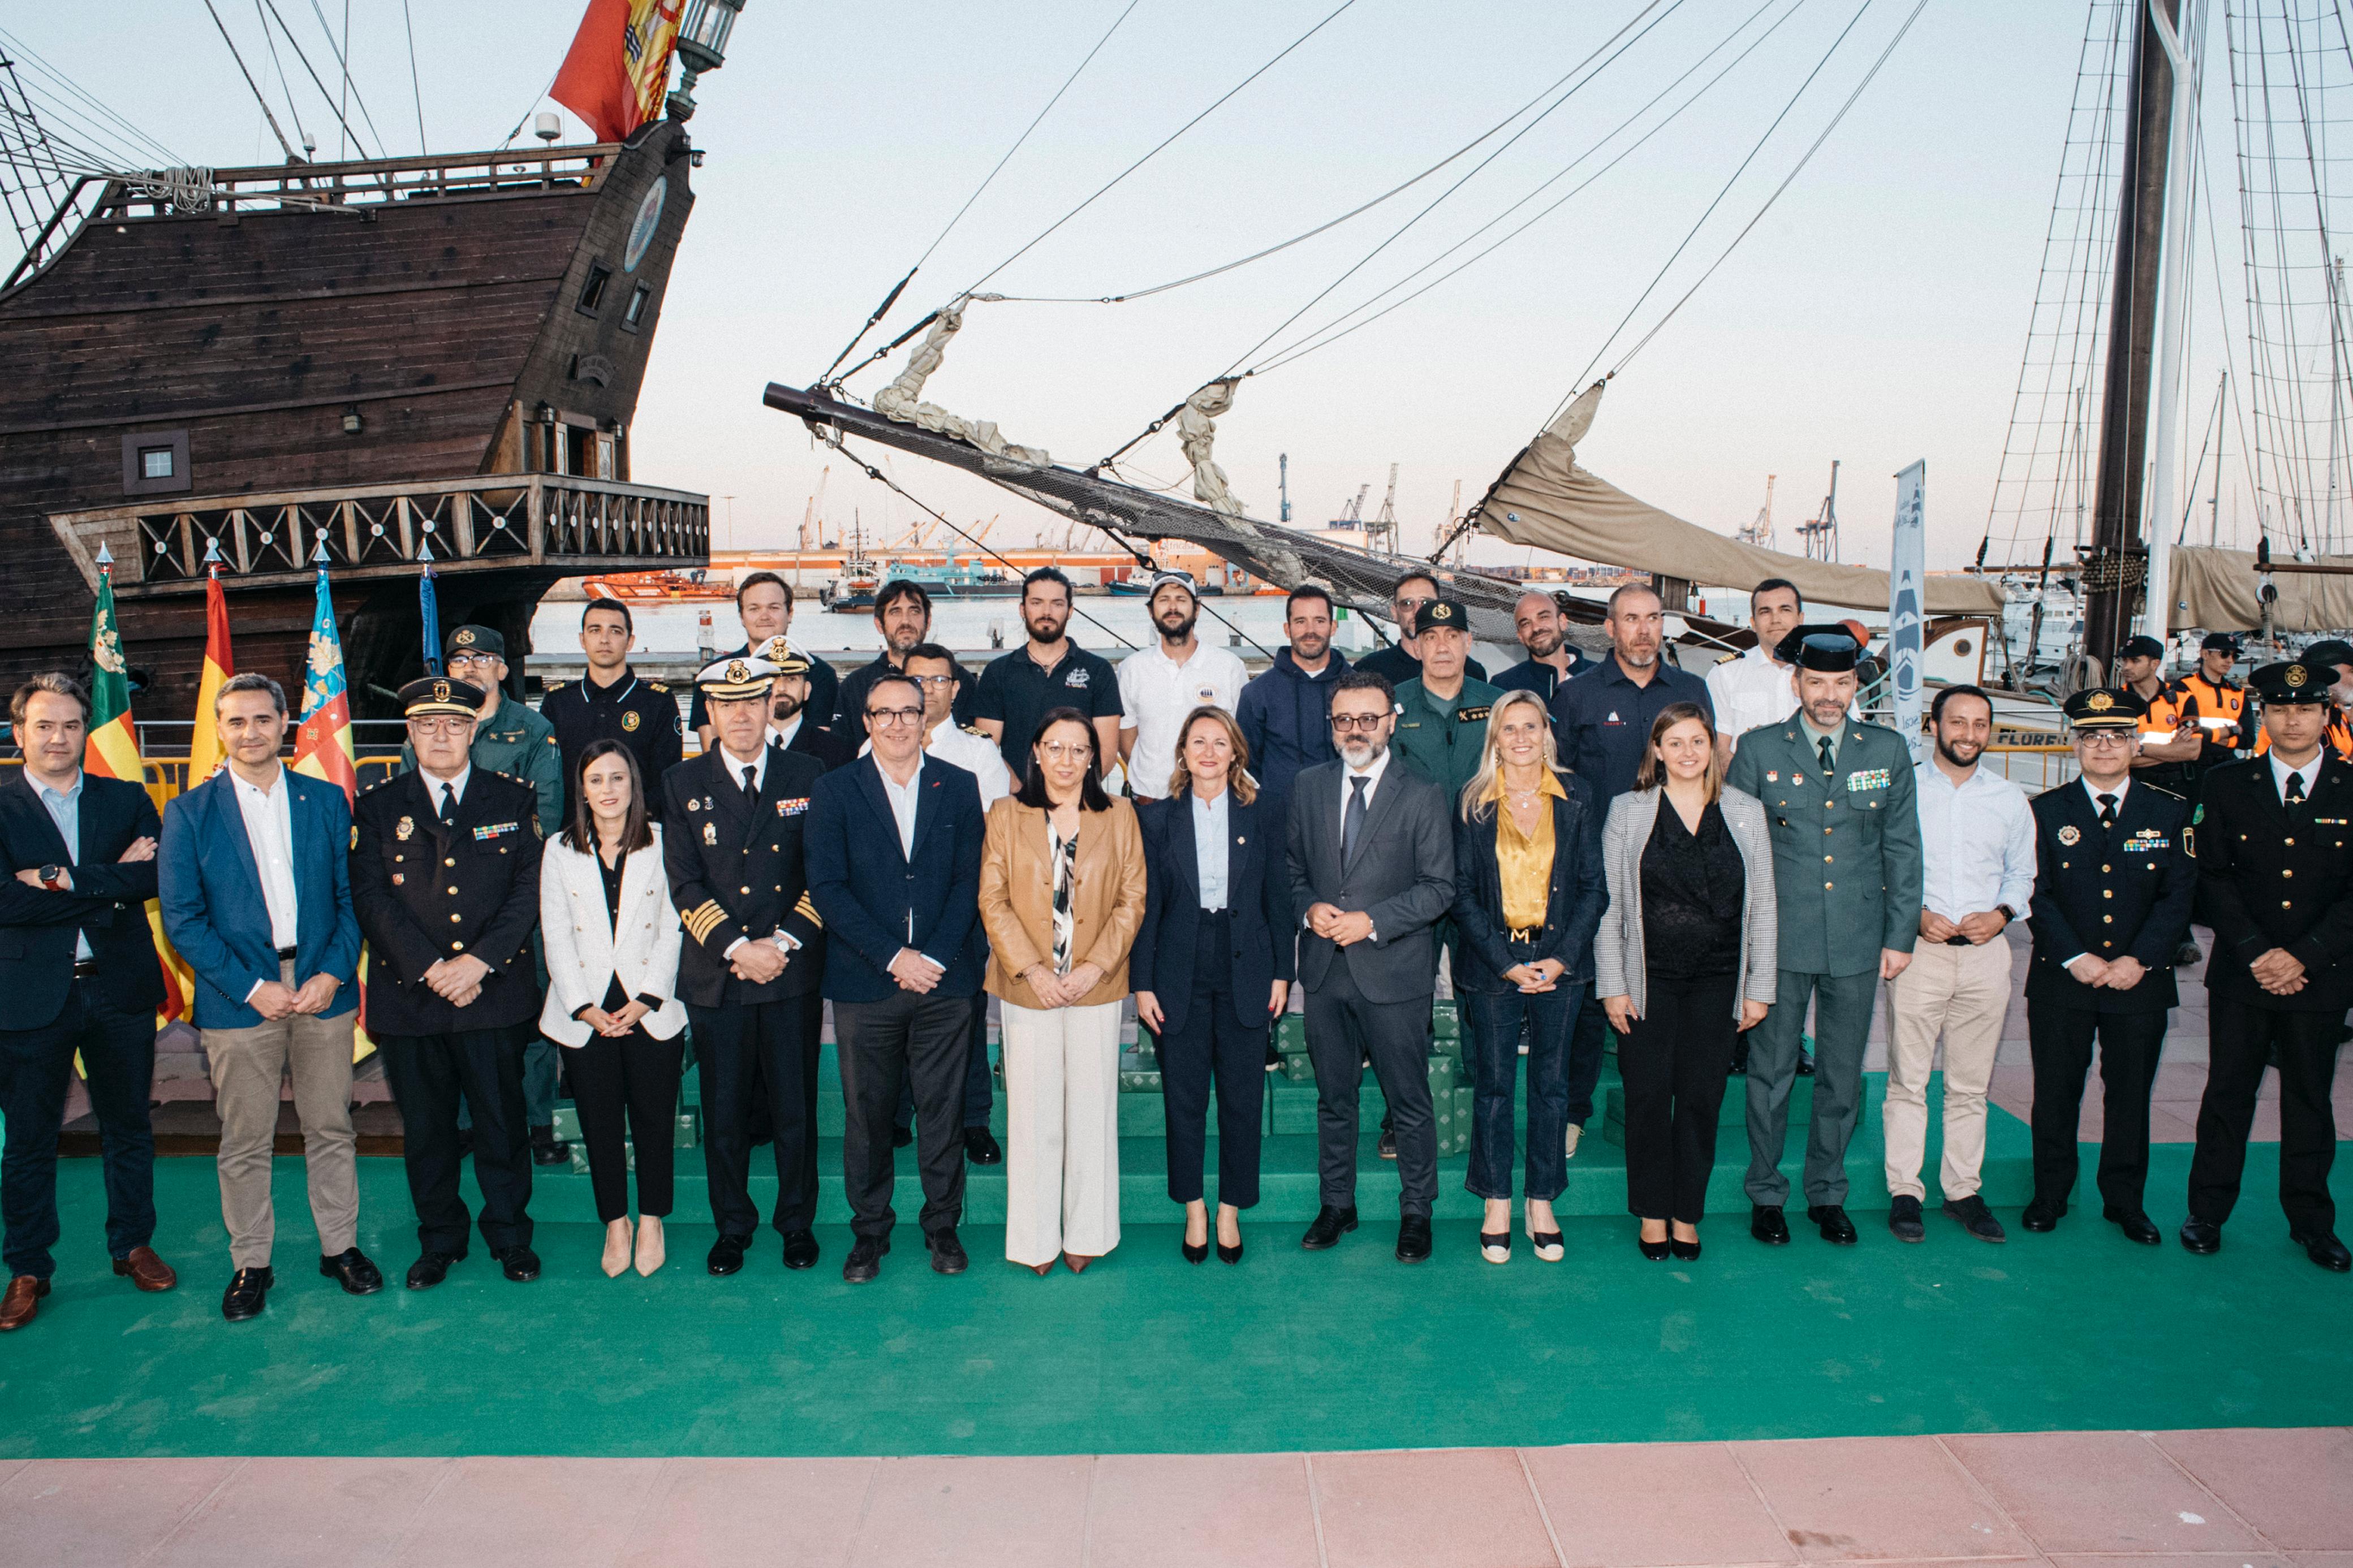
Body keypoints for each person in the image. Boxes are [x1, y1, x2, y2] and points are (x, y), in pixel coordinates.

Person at [160, 672, 373, 1321]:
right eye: (236, 721)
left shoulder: (327, 800)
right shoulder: (189, 813)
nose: (250, 732)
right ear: (219, 730)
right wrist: (253, 988)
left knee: (331, 1128)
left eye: (262, 719)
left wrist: (333, 974)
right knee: (245, 1140)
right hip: (237, 1001)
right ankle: (251, 1262)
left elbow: (350, 898)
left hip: (320, 993)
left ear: (285, 724)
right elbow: (183, 920)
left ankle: (340, 1247)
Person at [1723, 625, 1923, 1246]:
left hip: (1859, 939)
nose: (1829, 695)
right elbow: (1735, 853)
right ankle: (1765, 1192)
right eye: (1816, 682)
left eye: (1840, 683)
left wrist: (1900, 936)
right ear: (1796, 683)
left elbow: (1902, 849)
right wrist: (1743, 943)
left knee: (1840, 1073)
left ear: (1854, 684)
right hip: (1779, 939)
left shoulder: (1884, 751)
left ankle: (1826, 1192)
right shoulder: (1758, 751)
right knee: (1771, 1072)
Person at [352, 676, 546, 1289]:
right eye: (428, 724)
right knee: (429, 1131)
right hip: (412, 997)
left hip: (492, 993)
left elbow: (525, 891)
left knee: (501, 1125)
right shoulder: (378, 806)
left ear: (473, 730)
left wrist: (479, 962)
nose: (441, 734)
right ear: (409, 732)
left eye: (454, 723)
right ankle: (439, 1240)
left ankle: (511, 1237)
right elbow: (371, 897)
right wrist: (434, 968)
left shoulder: (512, 800)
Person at [0, 674, 171, 1333]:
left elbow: (155, 875)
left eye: (71, 724)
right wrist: (109, 884)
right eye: (43, 725)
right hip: (28, 996)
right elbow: (2, 901)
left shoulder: (125, 798)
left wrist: (55, 879)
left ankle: (132, 1245)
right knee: (30, 1139)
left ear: (85, 731)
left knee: (127, 1125)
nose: (58, 737)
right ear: (19, 734)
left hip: (118, 987)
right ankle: (27, 1267)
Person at [809, 672, 990, 1282]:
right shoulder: (834, 791)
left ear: (924, 718)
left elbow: (971, 880)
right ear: (865, 720)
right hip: (867, 981)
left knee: (942, 1110)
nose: (895, 723)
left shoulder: (959, 786)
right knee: (867, 1115)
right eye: (882, 712)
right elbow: (828, 888)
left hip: (946, 980)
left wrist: (932, 957)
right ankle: (869, 1233)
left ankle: (943, 1225)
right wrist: (894, 957)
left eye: (907, 712)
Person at [2180, 659, 2352, 1272]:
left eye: (2305, 709)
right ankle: (2206, 1210)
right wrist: (2257, 952)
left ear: (2325, 716)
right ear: (2264, 714)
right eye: (2279, 708)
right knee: (2227, 1092)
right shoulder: (2228, 784)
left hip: (2321, 974)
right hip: (2241, 972)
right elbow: (2211, 877)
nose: (2292, 719)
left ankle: (2311, 1221)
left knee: (2309, 1098)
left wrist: (2301, 956)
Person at [662, 654, 830, 1276]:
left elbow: (823, 875)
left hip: (789, 973)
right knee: (725, 1111)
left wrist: (780, 946)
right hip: (720, 975)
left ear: (769, 706)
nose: (739, 715)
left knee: (794, 1110)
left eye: (751, 702)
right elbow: (684, 884)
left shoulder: (808, 773)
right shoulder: (681, 783)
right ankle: (731, 1225)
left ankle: (796, 1223)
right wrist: (739, 949)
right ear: (708, 711)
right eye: (726, 705)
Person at [1285, 669, 1456, 1263]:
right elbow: (1289, 871)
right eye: (1342, 719)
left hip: (1393, 973)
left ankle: (1417, 1211)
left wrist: (1372, 920)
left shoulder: (1422, 793)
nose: (1354, 729)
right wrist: (1308, 908)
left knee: (1407, 1102)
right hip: (1325, 973)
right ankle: (1338, 1204)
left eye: (1366, 718)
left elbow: (1440, 888)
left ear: (1390, 720)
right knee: (1334, 1101)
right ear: (1329, 724)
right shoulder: (1306, 787)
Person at [1595, 703, 1775, 1262]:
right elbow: (1607, 907)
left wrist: (1758, 985)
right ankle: (1652, 1213)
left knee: (1700, 1098)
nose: (1687, 753)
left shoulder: (1745, 812)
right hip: (1646, 983)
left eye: (1697, 741)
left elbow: (1763, 903)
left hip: (1718, 982)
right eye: (1674, 743)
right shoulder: (1627, 811)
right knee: (1648, 1098)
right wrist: (1611, 984)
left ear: (1712, 749)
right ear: (1656, 750)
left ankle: (1685, 1214)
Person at [2021, 689, 2196, 1245]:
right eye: (2091, 735)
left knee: (2128, 1095)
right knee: (2054, 1091)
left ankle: (2124, 1201)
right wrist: (2076, 957)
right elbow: (2034, 891)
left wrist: (2136, 960)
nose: (2103, 745)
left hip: (2137, 983)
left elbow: (2178, 897)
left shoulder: (2167, 811)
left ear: (2135, 744)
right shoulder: (2043, 811)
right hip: (2061, 977)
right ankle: (2049, 1193)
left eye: (2116, 736)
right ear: (2074, 744)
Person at [978, 709, 1148, 1274]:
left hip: (1095, 990)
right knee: (1032, 1116)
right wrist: (1033, 970)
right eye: (1056, 747)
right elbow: (992, 900)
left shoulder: (1120, 814)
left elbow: (1132, 900)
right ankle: (1033, 1240)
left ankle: (1088, 1234)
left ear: (1094, 759)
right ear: (1036, 752)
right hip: (1028, 989)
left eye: (1079, 750)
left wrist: (1092, 968)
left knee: (1092, 1114)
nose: (1067, 760)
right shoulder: (1005, 814)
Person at [1550, 582, 1718, 1148]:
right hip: (1598, 872)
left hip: (1676, 877)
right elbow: (1561, 788)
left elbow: (1707, 778)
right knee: (1592, 997)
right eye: (1630, 619)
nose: (1642, 630)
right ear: (1608, 627)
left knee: (1665, 996)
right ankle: (1573, 1111)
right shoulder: (1577, 697)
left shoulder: (1692, 690)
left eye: (1651, 619)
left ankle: (1655, 1111)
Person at [399, 623, 568, 1169]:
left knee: (534, 1017)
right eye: (459, 659)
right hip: (448, 904)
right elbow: (415, 818)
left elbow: (544, 822)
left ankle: (538, 1121)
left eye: (482, 657)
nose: (470, 666)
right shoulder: (422, 738)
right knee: (463, 1018)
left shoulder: (534, 731)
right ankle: (471, 1124)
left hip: (521, 902)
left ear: (502, 667)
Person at [1449, 690, 1605, 1264]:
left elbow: (1594, 888)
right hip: (1494, 965)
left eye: (1530, 726)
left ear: (1546, 733)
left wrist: (1559, 959)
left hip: (1559, 965)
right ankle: (1495, 1200)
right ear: (1494, 738)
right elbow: (1460, 895)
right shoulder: (1472, 803)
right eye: (1508, 728)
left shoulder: (1578, 796)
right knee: (1492, 1087)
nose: (1520, 738)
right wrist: (1506, 963)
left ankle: (1541, 1199)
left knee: (1550, 1087)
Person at [1132, 707, 1293, 1264]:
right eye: (1197, 742)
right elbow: (1146, 909)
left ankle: (1230, 1209)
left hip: (1246, 964)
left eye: (1218, 742)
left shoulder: (1264, 811)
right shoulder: (1154, 820)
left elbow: (1278, 898)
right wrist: (1142, 983)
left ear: (1234, 753)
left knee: (1242, 1097)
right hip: (1179, 967)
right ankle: (1194, 1208)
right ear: (1181, 752)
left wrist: (1282, 973)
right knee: (1184, 1098)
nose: (1207, 751)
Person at [1882, 685, 2035, 1244]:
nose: (1968, 734)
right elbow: (1882, 864)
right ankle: (1904, 1190)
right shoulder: (1904, 790)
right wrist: (1913, 915)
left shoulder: (2008, 798)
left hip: (1985, 958)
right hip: (1917, 953)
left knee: (1970, 1085)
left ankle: (1962, 1190)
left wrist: (2001, 914)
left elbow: (2022, 875)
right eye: (1957, 722)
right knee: (1908, 1081)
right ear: (1933, 725)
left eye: (1979, 724)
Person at [538, 741, 687, 1279]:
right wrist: (582, 1006)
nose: (607, 790)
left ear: (634, 785)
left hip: (651, 1005)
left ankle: (651, 1219)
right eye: (596, 779)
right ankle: (615, 1222)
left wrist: (647, 997)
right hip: (586, 1011)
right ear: (582, 788)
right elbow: (555, 931)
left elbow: (674, 925)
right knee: (600, 1124)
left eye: (618, 779)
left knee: (653, 1119)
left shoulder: (665, 843)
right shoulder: (559, 849)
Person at [890, 642, 1010, 1163]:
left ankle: (974, 1120)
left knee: (965, 1012)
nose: (928, 689)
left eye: (939, 680)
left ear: (955, 689)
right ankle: (898, 1113)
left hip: (960, 907)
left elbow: (991, 835)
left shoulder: (978, 751)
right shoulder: (876, 745)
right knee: (893, 1013)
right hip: (894, 909)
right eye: (918, 680)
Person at [975, 567, 1124, 782]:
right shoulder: (998, 673)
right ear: (1022, 610)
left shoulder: (1098, 671)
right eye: (1037, 603)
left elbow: (1107, 753)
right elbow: (986, 750)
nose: (1047, 612)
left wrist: (1072, 793)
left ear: (1070, 611)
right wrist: (1018, 792)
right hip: (1017, 800)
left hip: (1079, 802)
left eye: (1057, 604)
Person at [539, 600, 683, 823]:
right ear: (582, 640)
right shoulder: (558, 703)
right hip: (573, 831)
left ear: (630, 641)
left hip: (640, 830)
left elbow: (667, 778)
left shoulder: (657, 703)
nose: (604, 639)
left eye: (615, 631)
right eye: (595, 630)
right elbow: (548, 777)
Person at [1118, 573, 1246, 802]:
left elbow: (1239, 738)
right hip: (1149, 803)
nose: (1173, 607)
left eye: (1181, 599)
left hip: (1211, 802)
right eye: (1164, 600)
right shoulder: (1131, 669)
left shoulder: (1229, 667)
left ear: (1197, 609)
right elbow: (1126, 742)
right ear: (1151, 611)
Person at [1235, 584, 1351, 827]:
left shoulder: (1358, 689)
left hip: (1346, 816)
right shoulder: (1257, 694)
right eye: (1301, 622)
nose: (1311, 631)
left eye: (1320, 621)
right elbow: (1248, 760)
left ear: (1333, 626)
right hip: (1281, 818)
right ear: (1287, 629)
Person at [691, 572, 840, 744]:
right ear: (741, 616)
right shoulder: (714, 677)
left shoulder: (820, 674)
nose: (765, 617)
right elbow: (711, 751)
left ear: (790, 613)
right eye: (754, 609)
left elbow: (821, 746)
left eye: (774, 608)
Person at [1392, 598, 1503, 806]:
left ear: (1468, 643)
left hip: (1482, 830)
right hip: (1416, 834)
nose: (1442, 648)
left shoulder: (1499, 705)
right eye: (1431, 638)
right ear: (1417, 648)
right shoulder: (1391, 707)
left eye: (1452, 636)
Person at [835, 578, 980, 732]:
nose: (906, 621)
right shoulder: (856, 687)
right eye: (895, 612)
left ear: (928, 622)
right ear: (879, 625)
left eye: (914, 612)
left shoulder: (960, 681)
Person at [1704, 578, 1805, 753]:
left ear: (1800, 619)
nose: (1776, 620)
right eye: (1766, 612)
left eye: (1785, 610)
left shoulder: (1823, 673)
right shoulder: (1725, 675)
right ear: (1753, 622)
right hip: (1747, 779)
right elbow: (1720, 750)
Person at [1354, 571, 1490, 689]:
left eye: (1426, 603)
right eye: (1407, 604)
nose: (1417, 611)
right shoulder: (1369, 670)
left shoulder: (1472, 671)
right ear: (1395, 613)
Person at [762, 645, 856, 772]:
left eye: (791, 679)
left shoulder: (838, 751)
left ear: (807, 690)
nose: (781, 688)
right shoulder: (738, 746)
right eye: (773, 680)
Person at [1490, 589, 1591, 705]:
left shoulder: (1601, 677)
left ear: (1562, 622)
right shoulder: (1504, 687)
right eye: (1526, 624)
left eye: (1543, 617)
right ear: (1520, 636)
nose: (1536, 628)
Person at [2175, 632, 2252, 775]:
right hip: (2193, 765)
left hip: (2228, 765)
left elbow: (2248, 740)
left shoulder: (2238, 693)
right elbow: (2184, 734)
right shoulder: (2185, 687)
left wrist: (2207, 737)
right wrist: (2232, 731)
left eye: (2234, 656)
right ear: (2205, 654)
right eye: (2224, 654)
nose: (2230, 661)